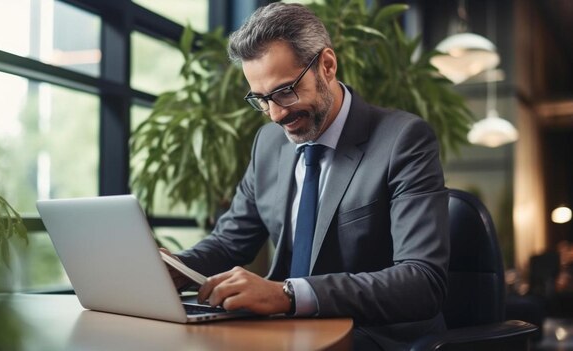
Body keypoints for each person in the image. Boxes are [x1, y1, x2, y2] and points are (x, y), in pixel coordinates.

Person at [164, 3, 449, 350]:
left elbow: (421, 282)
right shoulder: (269, 144)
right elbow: (230, 241)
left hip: (374, 336)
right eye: (261, 99)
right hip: (285, 333)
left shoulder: (403, 140)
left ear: (327, 65)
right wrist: (175, 266)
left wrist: (286, 294)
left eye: (286, 91)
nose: (276, 114)